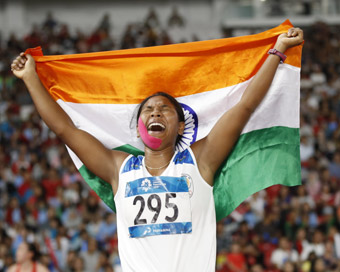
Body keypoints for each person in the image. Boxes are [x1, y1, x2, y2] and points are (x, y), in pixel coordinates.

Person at [11, 27, 303, 272]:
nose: (155, 113)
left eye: (165, 109)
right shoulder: (118, 168)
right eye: (148, 110)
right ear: (139, 126)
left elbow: (245, 106)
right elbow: (65, 129)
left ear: (179, 126)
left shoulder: (200, 160)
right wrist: (30, 79)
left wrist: (277, 51)